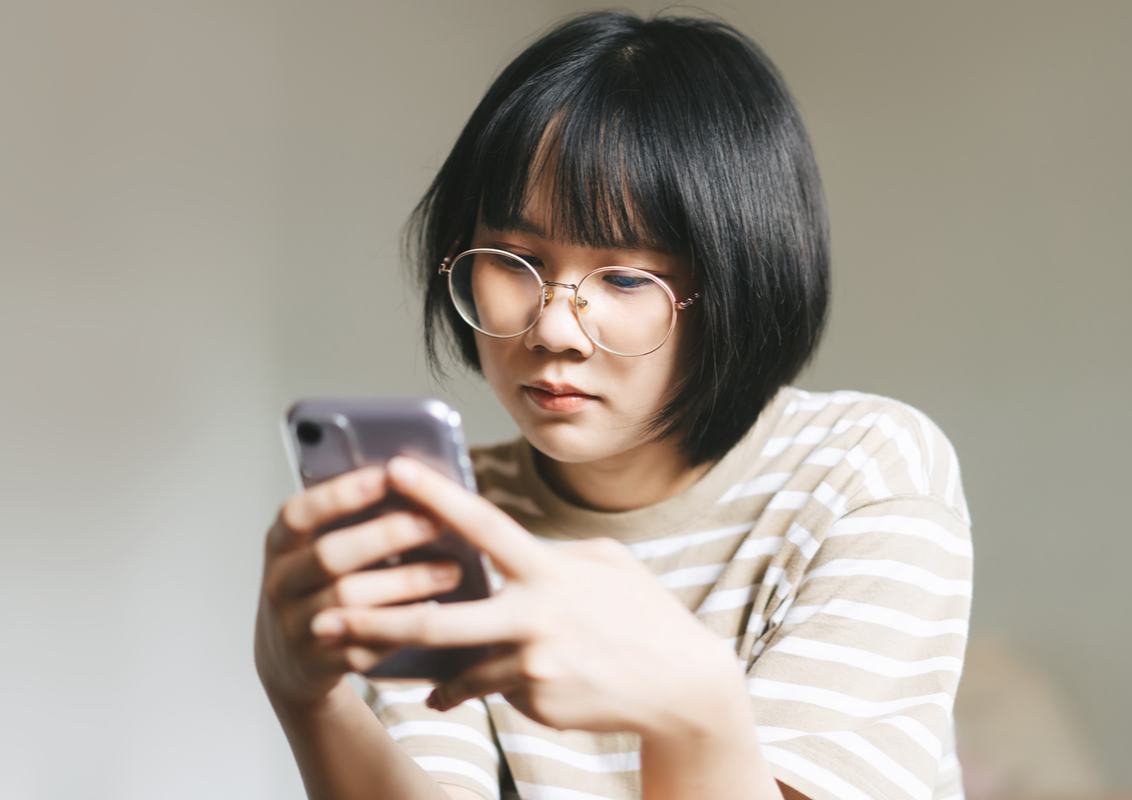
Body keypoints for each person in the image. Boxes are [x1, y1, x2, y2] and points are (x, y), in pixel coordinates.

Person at [255, 11, 972, 800]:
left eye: (627, 277)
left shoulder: (862, 473)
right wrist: (306, 698)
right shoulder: (456, 516)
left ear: (739, 283)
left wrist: (692, 706)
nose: (555, 327)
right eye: (516, 259)